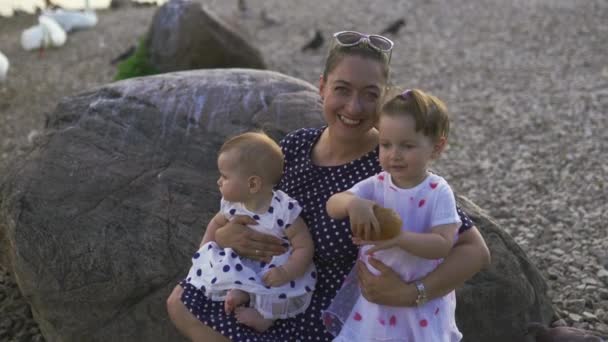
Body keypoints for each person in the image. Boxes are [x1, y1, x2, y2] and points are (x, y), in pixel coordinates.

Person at [167, 30, 491, 342]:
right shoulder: (295, 146)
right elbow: (247, 201)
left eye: (370, 94)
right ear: (321, 88)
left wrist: (413, 293)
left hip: (340, 317)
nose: (354, 107)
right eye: (342, 89)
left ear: (385, 100)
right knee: (182, 303)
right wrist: (224, 235)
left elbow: (474, 250)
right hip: (272, 294)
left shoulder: (391, 166)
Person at [323, 88, 463, 341]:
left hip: (418, 306)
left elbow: (443, 245)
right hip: (374, 304)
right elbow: (333, 204)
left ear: (436, 147)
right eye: (385, 144)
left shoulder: (437, 192)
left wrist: (400, 238)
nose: (393, 154)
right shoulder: (377, 184)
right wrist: (352, 204)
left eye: (407, 145)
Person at [184, 132, 317, 333]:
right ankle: (241, 292)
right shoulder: (232, 204)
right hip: (245, 261)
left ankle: (265, 316)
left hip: (276, 263)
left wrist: (286, 271)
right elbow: (216, 223)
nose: (219, 182)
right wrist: (205, 248)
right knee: (226, 263)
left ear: (253, 184)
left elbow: (304, 245)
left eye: (225, 176)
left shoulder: (283, 209)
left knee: (277, 288)